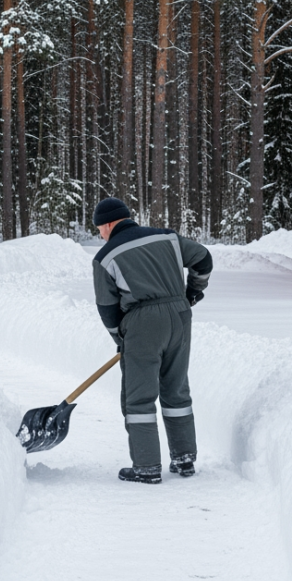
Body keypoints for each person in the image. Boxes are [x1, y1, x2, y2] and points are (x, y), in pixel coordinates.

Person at [91, 197, 213, 484]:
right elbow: (203, 259)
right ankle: (184, 459)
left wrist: (120, 338)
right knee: (176, 388)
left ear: (109, 224)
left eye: (99, 229)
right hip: (180, 316)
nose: (100, 235)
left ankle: (146, 466)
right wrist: (192, 292)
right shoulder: (167, 237)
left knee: (139, 396)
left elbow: (107, 308)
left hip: (142, 322)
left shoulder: (105, 257)